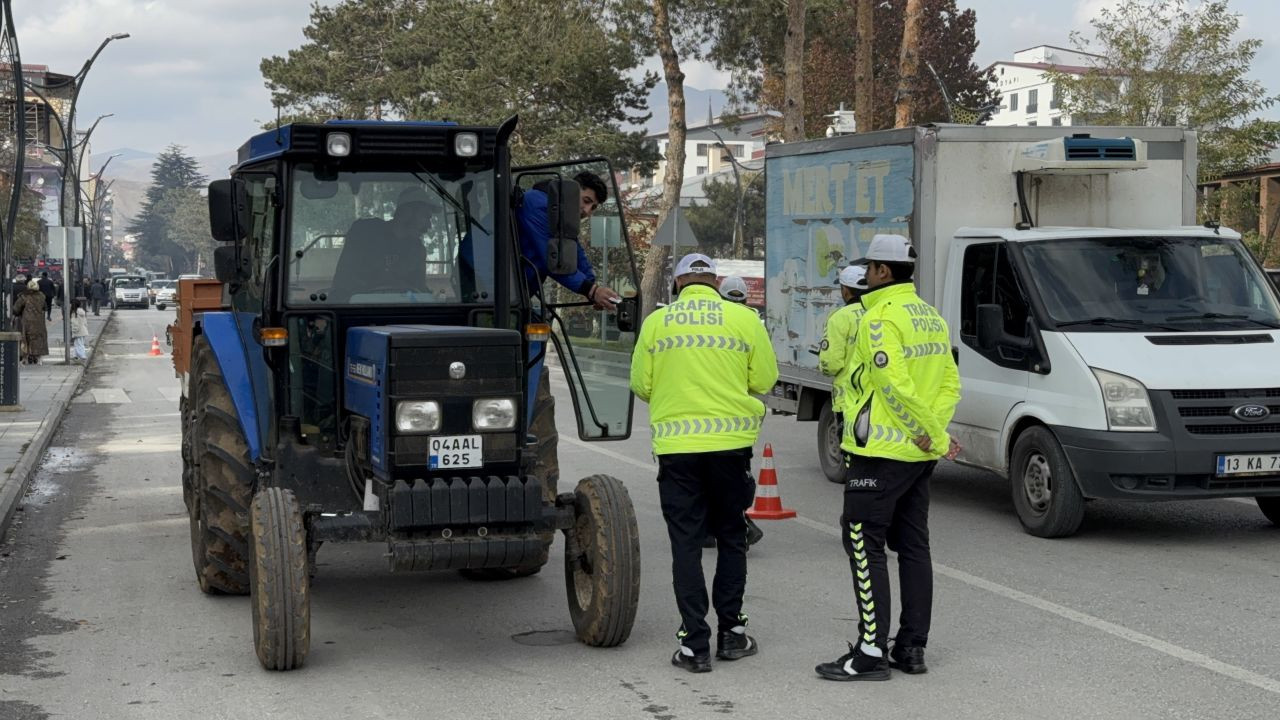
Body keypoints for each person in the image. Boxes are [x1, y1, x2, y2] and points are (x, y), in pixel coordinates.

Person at [815, 234, 961, 682]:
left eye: (871, 267)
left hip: (880, 451)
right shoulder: (931, 317)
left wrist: (925, 432)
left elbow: (893, 385)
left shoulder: (880, 317)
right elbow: (950, 382)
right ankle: (912, 648)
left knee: (863, 542)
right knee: (914, 546)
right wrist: (933, 435)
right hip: (918, 454)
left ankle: (870, 652)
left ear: (880, 272)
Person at [631, 253, 778, 674]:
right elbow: (764, 381)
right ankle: (732, 634)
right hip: (732, 448)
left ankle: (694, 645)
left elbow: (641, 384)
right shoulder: (744, 320)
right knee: (732, 537)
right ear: (714, 282)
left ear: (677, 284)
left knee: (686, 543)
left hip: (678, 451)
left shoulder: (657, 324)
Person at [714, 274, 765, 549]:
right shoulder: (751, 323)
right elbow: (763, 378)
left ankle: (711, 527)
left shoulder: (712, 323)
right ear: (745, 298)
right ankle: (736, 523)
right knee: (736, 477)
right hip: (737, 421)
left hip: (703, 413)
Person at [818, 265, 869, 433]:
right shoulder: (877, 312)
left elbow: (831, 364)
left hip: (847, 400)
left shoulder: (839, 317)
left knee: (850, 450)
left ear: (845, 290)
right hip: (875, 400)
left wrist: (823, 362)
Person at [14, 279, 49, 364]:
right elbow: (45, 307)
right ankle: (39, 358)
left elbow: (16, 308)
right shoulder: (41, 296)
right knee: (39, 338)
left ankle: (25, 358)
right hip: (39, 322)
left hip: (27, 321)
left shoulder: (24, 296)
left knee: (25, 338)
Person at [70, 299, 89, 363]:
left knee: (79, 344)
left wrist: (74, 331)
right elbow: (85, 322)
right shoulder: (81, 312)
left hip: (78, 331)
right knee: (78, 343)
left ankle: (83, 356)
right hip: (83, 330)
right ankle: (75, 355)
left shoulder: (74, 313)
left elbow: (75, 324)